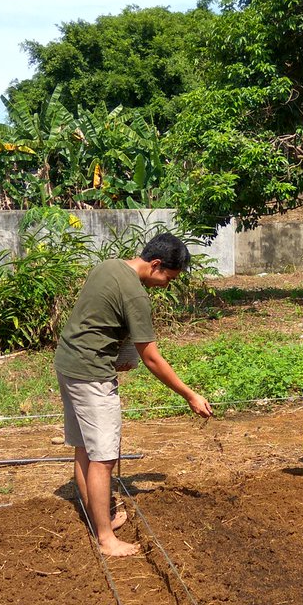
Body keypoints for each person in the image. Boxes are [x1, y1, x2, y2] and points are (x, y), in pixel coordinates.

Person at [54, 233, 213, 556]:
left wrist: (118, 352)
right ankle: (105, 538)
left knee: (85, 449)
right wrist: (190, 395)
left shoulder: (108, 266)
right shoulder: (136, 296)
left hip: (68, 363)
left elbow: (99, 318)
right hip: (91, 376)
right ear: (155, 265)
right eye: (168, 277)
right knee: (104, 458)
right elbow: (152, 357)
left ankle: (98, 519)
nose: (167, 284)